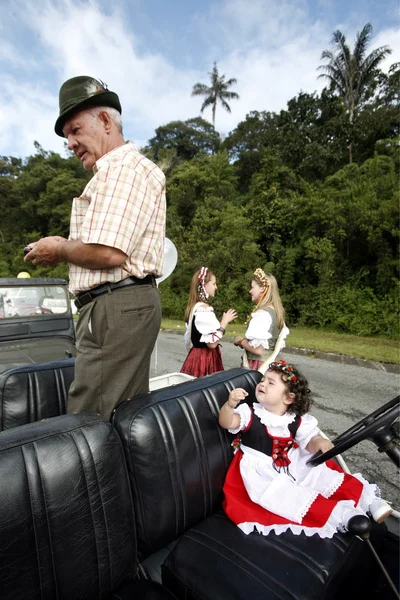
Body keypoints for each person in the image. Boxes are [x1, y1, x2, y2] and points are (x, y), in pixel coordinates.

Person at [24, 76, 166, 420]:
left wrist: (57, 247)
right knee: (118, 412)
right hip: (117, 304)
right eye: (67, 136)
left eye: (75, 130)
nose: (70, 143)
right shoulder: (116, 171)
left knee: (92, 418)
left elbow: (108, 253)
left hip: (115, 305)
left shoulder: (121, 170)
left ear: (105, 121)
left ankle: (97, 476)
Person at [219, 360, 392, 538]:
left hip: (290, 461)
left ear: (288, 398)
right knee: (288, 495)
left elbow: (308, 440)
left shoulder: (295, 419)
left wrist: (318, 442)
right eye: (263, 380)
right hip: (261, 470)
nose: (262, 384)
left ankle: (369, 500)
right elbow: (227, 422)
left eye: (271, 382)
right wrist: (230, 405)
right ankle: (343, 515)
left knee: (323, 475)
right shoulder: (250, 413)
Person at [180, 267, 237, 377]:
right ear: (205, 285)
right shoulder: (204, 310)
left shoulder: (195, 307)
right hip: (204, 359)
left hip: (196, 355)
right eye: (214, 284)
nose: (216, 287)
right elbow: (212, 344)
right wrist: (224, 323)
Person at [234, 268, 289, 373]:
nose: (250, 291)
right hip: (270, 365)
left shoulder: (262, 314)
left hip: (258, 367)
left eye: (252, 287)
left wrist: (241, 341)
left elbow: (259, 350)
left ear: (262, 288)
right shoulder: (275, 312)